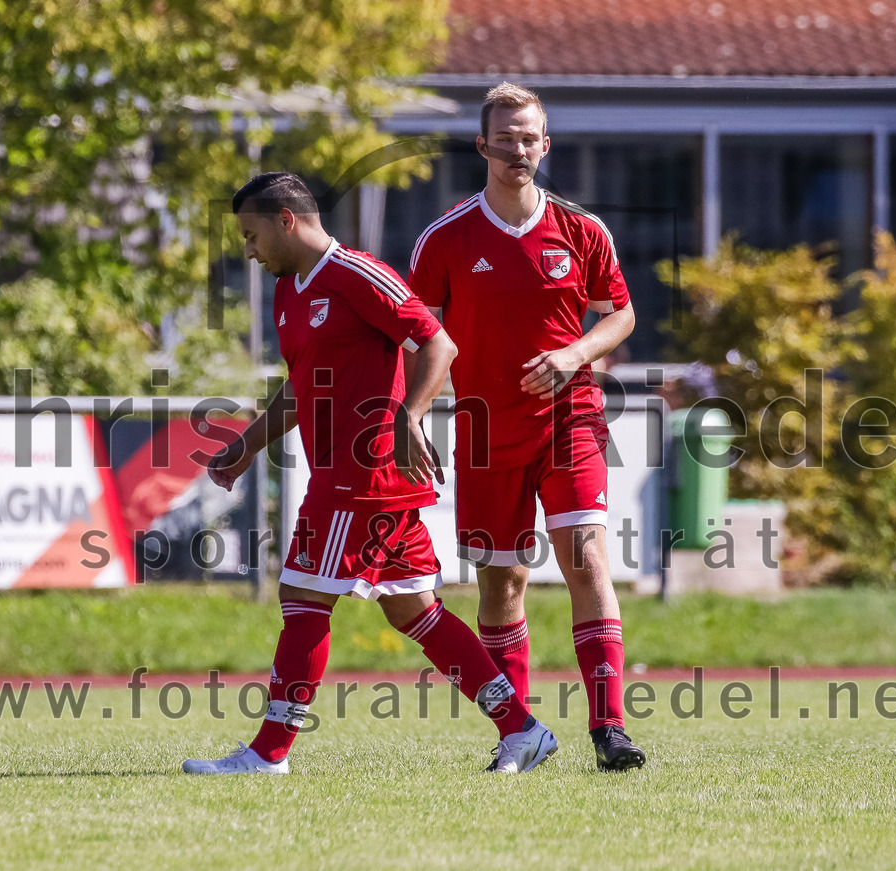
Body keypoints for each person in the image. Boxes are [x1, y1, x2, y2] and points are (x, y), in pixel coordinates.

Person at [182, 172, 557, 776]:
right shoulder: (289, 290)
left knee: (304, 596)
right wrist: (248, 445)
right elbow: (301, 390)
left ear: (287, 220)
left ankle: (269, 753)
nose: (248, 252)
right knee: (414, 611)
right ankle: (522, 729)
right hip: (355, 476)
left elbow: (440, 345)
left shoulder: (357, 274)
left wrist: (412, 417)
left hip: (366, 471)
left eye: (252, 236)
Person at [407, 84, 647, 771]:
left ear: (547, 144)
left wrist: (575, 353)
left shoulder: (582, 230)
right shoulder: (445, 239)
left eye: (529, 136)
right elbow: (414, 335)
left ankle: (610, 728)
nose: (519, 148)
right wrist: (411, 415)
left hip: (570, 417)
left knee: (586, 556)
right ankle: (519, 732)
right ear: (482, 146)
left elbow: (621, 314)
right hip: (483, 429)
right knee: (501, 580)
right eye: (505, 137)